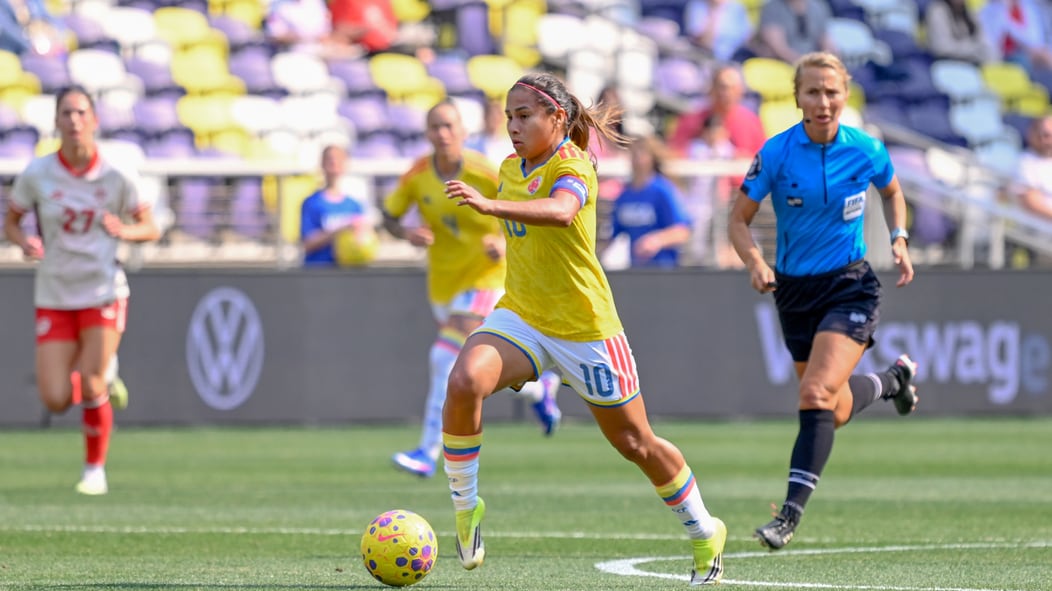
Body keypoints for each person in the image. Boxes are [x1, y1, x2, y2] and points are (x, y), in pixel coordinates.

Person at [441, 72, 727, 585]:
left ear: (557, 117)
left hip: (585, 327)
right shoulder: (509, 167)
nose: (513, 126)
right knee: (463, 380)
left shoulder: (575, 164)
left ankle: (705, 530)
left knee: (636, 444)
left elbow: (561, 210)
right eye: (508, 116)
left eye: (524, 115)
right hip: (523, 316)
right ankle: (466, 511)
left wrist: (490, 206)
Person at [727, 52, 920, 551]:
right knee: (829, 410)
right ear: (797, 98)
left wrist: (898, 237)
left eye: (832, 91)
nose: (823, 101)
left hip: (850, 285)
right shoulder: (775, 154)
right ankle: (894, 379)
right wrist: (755, 263)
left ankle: (788, 515)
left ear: (845, 95)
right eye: (812, 92)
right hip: (793, 292)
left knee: (813, 397)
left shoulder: (867, 149)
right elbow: (737, 219)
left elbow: (893, 193)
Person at [383, 98, 562, 479]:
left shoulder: (484, 171)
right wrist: (404, 232)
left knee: (441, 358)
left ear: (464, 132)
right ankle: (538, 389)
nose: (443, 133)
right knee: (468, 369)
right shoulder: (417, 175)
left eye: (449, 126)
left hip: (487, 277)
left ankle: (427, 452)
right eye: (435, 127)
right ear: (427, 133)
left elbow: (522, 206)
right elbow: (389, 215)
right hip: (444, 284)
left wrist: (502, 237)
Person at [3, 85, 160, 495]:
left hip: (103, 289)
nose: (74, 120)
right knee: (55, 399)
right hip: (54, 291)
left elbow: (151, 227)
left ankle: (94, 471)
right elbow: (13, 221)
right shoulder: (37, 174)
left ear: (94, 120)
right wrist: (24, 243)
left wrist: (123, 230)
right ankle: (104, 377)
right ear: (56, 121)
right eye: (66, 113)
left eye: (81, 113)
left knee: (90, 383)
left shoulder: (117, 173)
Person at [600, 135, 692, 268]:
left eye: (641, 153)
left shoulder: (662, 190)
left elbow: (682, 231)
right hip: (634, 271)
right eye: (633, 153)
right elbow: (615, 233)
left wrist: (656, 240)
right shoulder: (624, 195)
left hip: (662, 270)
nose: (637, 158)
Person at [668, 64, 765, 162]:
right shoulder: (691, 120)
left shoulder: (751, 122)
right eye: (723, 87)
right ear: (712, 89)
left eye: (733, 88)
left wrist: (738, 156)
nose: (727, 93)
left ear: (741, 91)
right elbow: (674, 154)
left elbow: (765, 159)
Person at [299, 144, 372, 266]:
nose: (333, 162)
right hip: (318, 271)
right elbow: (307, 244)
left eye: (338, 159)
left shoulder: (354, 205)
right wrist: (341, 230)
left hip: (346, 274)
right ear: (322, 164)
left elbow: (364, 239)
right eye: (329, 159)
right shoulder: (311, 203)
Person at [745, 0, 833, 64]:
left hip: (811, 65)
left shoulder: (818, 7)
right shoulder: (772, 8)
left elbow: (825, 41)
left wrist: (830, 61)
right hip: (781, 66)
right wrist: (807, 65)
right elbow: (779, 48)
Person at [924, 0, 997, 65]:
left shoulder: (970, 13)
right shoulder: (937, 10)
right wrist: (973, 49)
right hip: (945, 64)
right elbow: (941, 48)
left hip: (972, 65)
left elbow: (986, 44)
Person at [684, 0, 754, 62]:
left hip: (735, 58)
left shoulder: (737, 7)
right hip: (706, 57)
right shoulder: (697, 5)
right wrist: (714, 10)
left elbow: (748, 38)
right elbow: (703, 43)